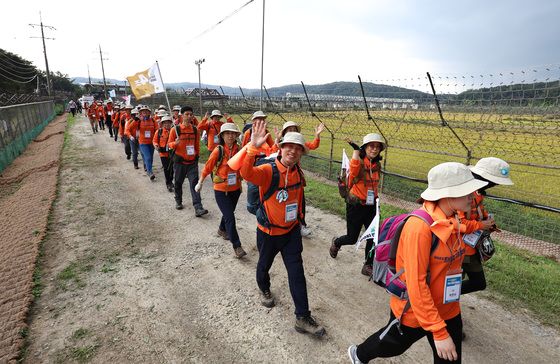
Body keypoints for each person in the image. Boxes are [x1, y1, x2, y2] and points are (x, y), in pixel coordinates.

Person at [347, 162, 488, 364]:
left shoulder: (455, 219)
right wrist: (439, 332)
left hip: (448, 308)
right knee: (391, 345)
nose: (473, 195)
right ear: (447, 195)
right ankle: (359, 354)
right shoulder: (419, 228)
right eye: (467, 190)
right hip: (416, 310)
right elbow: (416, 285)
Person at [240, 118, 326, 337]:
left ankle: (302, 317)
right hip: (268, 233)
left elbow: (297, 200)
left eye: (298, 149)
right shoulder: (268, 170)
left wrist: (298, 221)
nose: (294, 151)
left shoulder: (298, 173)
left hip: (290, 233)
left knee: (297, 273)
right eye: (290, 146)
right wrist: (253, 147)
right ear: (281, 147)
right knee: (264, 265)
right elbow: (246, 173)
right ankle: (264, 288)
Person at [329, 133, 385, 277]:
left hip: (371, 206)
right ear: (365, 148)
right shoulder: (359, 163)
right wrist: (356, 150)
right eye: (371, 146)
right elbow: (353, 168)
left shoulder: (376, 165)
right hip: (356, 206)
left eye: (377, 147)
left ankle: (368, 265)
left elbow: (375, 186)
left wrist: (377, 204)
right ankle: (337, 242)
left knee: (374, 236)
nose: (374, 149)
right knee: (352, 238)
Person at [460, 157, 513, 295]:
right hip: (459, 249)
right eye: (493, 182)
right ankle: (440, 299)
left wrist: (488, 223)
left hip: (470, 247)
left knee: (460, 281)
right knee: (471, 281)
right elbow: (458, 223)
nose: (494, 186)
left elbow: (477, 214)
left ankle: (444, 299)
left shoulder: (477, 194)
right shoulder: (464, 194)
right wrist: (480, 225)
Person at [195, 123, 246, 258]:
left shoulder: (239, 150)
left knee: (228, 213)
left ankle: (222, 229)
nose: (230, 135)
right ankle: (237, 246)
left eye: (233, 133)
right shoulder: (218, 151)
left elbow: (245, 166)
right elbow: (207, 167)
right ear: (222, 136)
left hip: (235, 188)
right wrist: (200, 182)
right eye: (227, 133)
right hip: (220, 189)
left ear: (236, 135)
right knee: (230, 216)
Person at [271, 120, 325, 237]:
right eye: (289, 130)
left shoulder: (298, 144)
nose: (292, 132)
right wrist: (276, 141)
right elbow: (271, 153)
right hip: (279, 178)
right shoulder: (281, 144)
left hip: (295, 177)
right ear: (284, 133)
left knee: (300, 201)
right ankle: (278, 224)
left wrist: (317, 135)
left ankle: (300, 224)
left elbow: (313, 145)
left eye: (294, 130)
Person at [167, 106, 208, 216]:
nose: (189, 116)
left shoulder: (195, 130)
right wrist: (174, 143)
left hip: (192, 163)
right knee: (178, 182)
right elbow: (169, 145)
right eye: (187, 114)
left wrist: (197, 156)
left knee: (195, 184)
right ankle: (178, 200)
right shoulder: (175, 130)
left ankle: (198, 207)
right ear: (182, 115)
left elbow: (197, 146)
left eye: (191, 114)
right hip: (179, 162)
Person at [241, 111, 275, 215]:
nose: (261, 121)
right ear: (254, 121)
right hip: (253, 165)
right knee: (253, 191)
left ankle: (265, 211)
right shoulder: (249, 133)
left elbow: (272, 148)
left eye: (262, 119)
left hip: (265, 164)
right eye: (258, 119)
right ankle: (256, 209)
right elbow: (243, 151)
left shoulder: (266, 133)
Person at [153, 115, 175, 192]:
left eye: (168, 123)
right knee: (166, 168)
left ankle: (171, 180)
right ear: (162, 124)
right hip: (163, 154)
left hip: (172, 153)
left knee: (172, 169)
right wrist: (156, 145)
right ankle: (168, 183)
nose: (167, 124)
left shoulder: (174, 131)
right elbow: (155, 141)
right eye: (165, 123)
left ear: (171, 123)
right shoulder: (159, 132)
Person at [137, 105, 156, 180]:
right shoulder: (138, 121)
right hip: (143, 143)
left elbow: (157, 130)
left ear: (149, 112)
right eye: (143, 111)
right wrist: (135, 120)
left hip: (151, 143)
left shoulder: (153, 121)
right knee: (147, 157)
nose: (144, 111)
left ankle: (148, 167)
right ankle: (150, 172)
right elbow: (130, 128)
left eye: (146, 110)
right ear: (140, 113)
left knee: (150, 158)